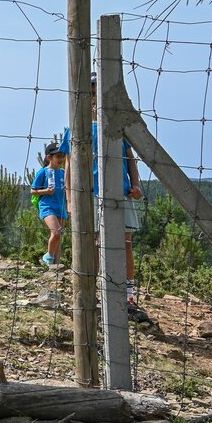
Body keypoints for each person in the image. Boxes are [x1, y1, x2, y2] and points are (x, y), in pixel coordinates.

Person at [60, 71, 146, 319]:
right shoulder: (75, 128)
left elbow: (130, 159)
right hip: (90, 194)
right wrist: (70, 199)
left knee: (125, 242)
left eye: (97, 91)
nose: (94, 97)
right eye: (90, 91)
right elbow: (69, 166)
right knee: (95, 243)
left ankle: (128, 295)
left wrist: (136, 185)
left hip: (120, 192)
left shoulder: (118, 125)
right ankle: (94, 294)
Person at [32, 141, 68, 266]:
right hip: (47, 206)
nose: (61, 159)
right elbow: (33, 190)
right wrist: (46, 191)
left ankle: (55, 266)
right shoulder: (43, 172)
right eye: (58, 156)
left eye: (62, 156)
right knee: (56, 233)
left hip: (61, 207)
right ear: (49, 157)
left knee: (58, 237)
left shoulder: (63, 172)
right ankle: (48, 256)